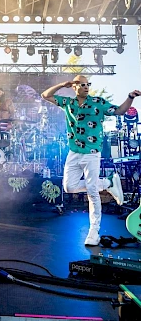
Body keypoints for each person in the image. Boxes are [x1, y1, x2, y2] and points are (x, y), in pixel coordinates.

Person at [41, 75, 141, 246]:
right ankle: (107, 184)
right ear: (74, 87)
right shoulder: (68, 103)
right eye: (82, 84)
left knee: (92, 192)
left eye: (88, 84)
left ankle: (94, 231)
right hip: (74, 152)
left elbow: (119, 111)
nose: (86, 87)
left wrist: (130, 97)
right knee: (69, 187)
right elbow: (45, 95)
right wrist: (62, 84)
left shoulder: (98, 102)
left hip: (92, 152)